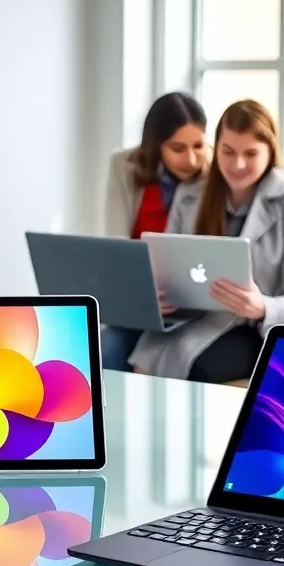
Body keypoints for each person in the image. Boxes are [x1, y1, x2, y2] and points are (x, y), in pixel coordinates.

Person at [128, 99, 284, 384]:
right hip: (194, 320)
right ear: (216, 148)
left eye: (251, 153)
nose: (237, 164)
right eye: (228, 152)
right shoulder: (190, 195)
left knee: (197, 368)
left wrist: (262, 306)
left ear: (270, 152)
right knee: (138, 361)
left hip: (255, 327)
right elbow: (167, 269)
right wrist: (159, 296)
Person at [99, 91, 210, 371]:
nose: (192, 158)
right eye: (177, 148)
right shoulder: (124, 167)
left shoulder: (215, 177)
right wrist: (141, 298)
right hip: (137, 304)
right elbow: (116, 246)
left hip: (193, 311)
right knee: (106, 350)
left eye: (199, 145)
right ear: (156, 145)